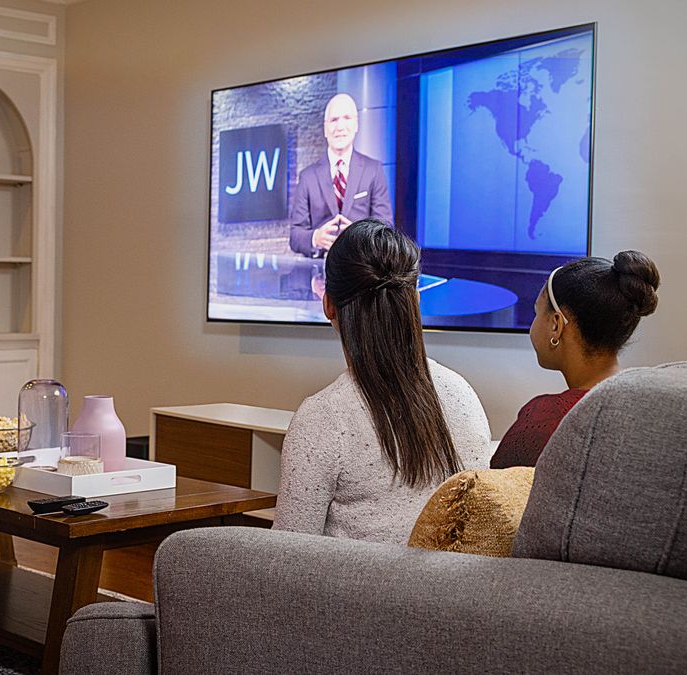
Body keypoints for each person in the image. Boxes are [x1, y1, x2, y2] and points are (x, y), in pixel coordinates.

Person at [273, 219, 491, 544]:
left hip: (355, 594)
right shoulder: (463, 394)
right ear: (415, 300)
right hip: (452, 594)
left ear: (328, 305)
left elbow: (284, 557)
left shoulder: (322, 418)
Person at [490, 251, 660, 469]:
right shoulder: (647, 410)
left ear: (556, 325)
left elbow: (492, 493)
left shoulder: (543, 420)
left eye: (536, 313)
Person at [289, 93, 394, 258]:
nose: (340, 127)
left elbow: (385, 228)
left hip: (361, 268)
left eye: (346, 118)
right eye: (334, 120)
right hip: (320, 273)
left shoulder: (373, 170)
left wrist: (359, 236)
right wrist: (315, 238)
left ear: (356, 124)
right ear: (325, 129)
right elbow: (295, 236)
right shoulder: (307, 177)